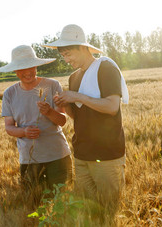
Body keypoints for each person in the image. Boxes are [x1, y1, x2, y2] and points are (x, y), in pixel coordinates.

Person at [43, 24, 129, 213]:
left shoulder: (106, 68)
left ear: (83, 47)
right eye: (63, 56)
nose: (66, 60)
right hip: (82, 154)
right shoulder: (74, 77)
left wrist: (77, 96)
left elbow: (112, 107)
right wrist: (64, 104)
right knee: (88, 209)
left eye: (69, 54)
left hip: (107, 154)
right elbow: (77, 116)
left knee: (109, 209)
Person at [0, 45, 72, 194]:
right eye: (22, 69)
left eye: (30, 67)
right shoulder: (9, 94)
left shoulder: (53, 85)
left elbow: (62, 121)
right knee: (34, 205)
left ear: (36, 66)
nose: (27, 72)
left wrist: (49, 112)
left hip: (58, 156)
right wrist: (24, 131)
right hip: (29, 161)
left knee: (63, 204)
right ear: (15, 71)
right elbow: (9, 127)